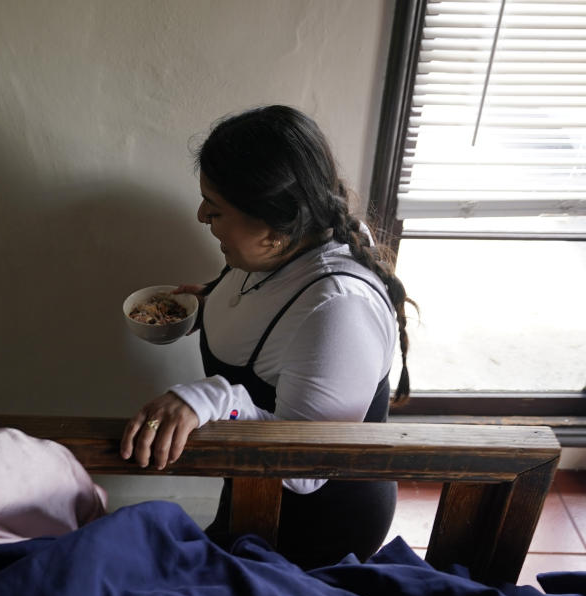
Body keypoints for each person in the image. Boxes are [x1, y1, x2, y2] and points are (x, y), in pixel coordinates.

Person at [120, 105, 415, 569]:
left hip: (313, 527)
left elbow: (306, 471)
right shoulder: (283, 248)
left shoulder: (338, 307)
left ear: (275, 227)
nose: (200, 216)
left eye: (214, 209)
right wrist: (209, 306)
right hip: (249, 492)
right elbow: (273, 318)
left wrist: (215, 398)